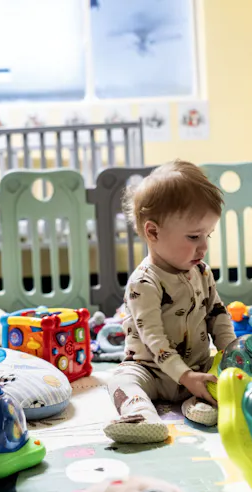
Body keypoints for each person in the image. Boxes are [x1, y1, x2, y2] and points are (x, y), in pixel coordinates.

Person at [103, 161, 236, 444]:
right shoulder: (144, 282)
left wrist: (229, 351)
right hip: (150, 370)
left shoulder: (201, 272)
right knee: (120, 380)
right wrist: (183, 375)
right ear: (153, 232)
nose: (204, 246)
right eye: (193, 236)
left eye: (207, 235)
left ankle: (200, 405)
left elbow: (217, 313)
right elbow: (154, 339)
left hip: (197, 366)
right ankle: (140, 414)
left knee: (221, 377)